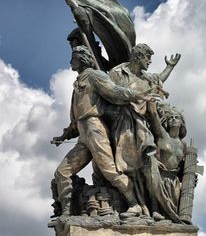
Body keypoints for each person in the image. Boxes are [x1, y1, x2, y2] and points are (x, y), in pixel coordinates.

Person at [52, 45, 154, 216]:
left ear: (83, 59)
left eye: (74, 58)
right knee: (61, 173)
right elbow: (77, 117)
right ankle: (67, 212)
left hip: (95, 129)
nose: (71, 61)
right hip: (83, 133)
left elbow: (114, 91)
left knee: (109, 171)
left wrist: (137, 95)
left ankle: (134, 203)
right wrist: (63, 136)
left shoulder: (94, 76)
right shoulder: (78, 83)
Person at [106, 43, 181, 217]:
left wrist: (169, 67)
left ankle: (154, 207)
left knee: (148, 168)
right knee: (128, 168)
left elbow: (159, 79)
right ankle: (135, 205)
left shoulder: (146, 78)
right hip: (124, 124)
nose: (149, 62)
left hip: (143, 127)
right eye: (148, 58)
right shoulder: (117, 73)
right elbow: (108, 94)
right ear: (138, 56)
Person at [145, 102, 187, 223]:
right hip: (159, 177)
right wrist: (151, 99)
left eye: (176, 117)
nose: (173, 119)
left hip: (173, 182)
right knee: (158, 212)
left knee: (172, 213)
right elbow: (153, 115)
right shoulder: (162, 135)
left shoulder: (183, 145)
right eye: (170, 118)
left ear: (182, 123)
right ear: (167, 122)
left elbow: (183, 167)